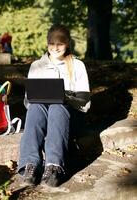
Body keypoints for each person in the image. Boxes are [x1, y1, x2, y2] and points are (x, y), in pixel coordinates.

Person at [17, 24, 91, 187]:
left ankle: (54, 166)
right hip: (42, 115)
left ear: (68, 43)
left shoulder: (78, 66)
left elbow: (84, 103)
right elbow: (27, 101)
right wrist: (40, 98)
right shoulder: (36, 66)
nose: (56, 48)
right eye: (52, 43)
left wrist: (66, 98)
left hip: (70, 118)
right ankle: (31, 165)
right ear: (47, 43)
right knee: (36, 107)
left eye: (61, 43)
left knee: (57, 108)